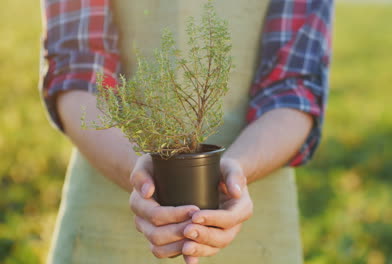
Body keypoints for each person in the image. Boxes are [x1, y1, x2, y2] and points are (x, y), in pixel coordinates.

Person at [40, 0, 333, 263]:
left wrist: (236, 174)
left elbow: (294, 90)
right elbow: (78, 75)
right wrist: (142, 176)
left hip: (258, 223)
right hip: (103, 217)